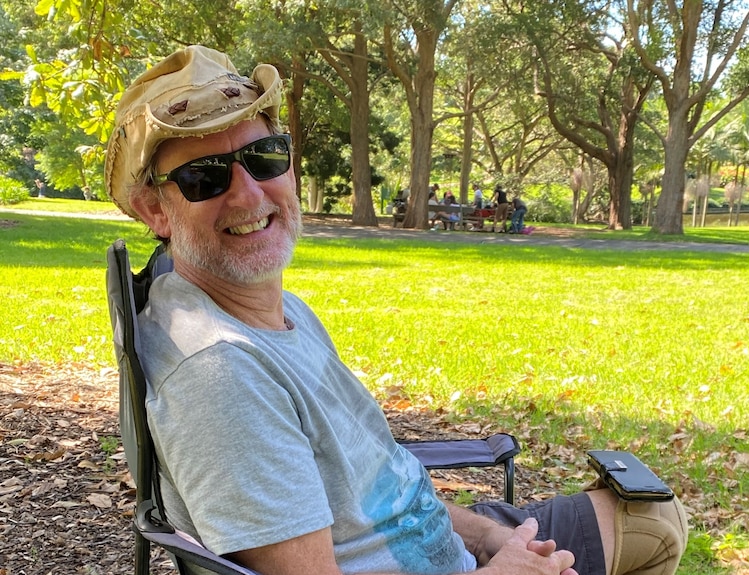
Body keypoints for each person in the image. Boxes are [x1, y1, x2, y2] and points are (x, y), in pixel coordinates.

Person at [105, 45, 687, 575]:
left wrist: (487, 536)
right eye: (203, 177)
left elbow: (375, 482)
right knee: (652, 530)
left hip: (445, 545)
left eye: (264, 157)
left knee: (651, 513)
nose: (250, 194)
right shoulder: (220, 377)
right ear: (154, 209)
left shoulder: (276, 313)